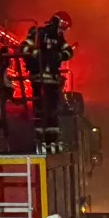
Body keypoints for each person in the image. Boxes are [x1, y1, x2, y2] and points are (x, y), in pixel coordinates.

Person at [23, 11, 74, 153]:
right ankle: (40, 140)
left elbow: (69, 51)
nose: (62, 31)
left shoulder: (59, 38)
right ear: (58, 22)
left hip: (52, 80)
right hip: (38, 78)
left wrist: (59, 55)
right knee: (39, 109)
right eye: (62, 27)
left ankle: (51, 139)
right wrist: (38, 55)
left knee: (52, 109)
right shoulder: (37, 33)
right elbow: (24, 48)